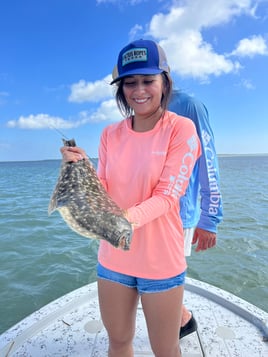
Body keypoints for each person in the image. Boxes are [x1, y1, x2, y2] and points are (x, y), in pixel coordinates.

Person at [61, 39, 201, 357]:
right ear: (121, 87)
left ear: (164, 82)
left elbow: (167, 196)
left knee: (165, 348)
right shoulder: (110, 134)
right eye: (130, 82)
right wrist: (81, 169)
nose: (139, 90)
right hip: (113, 259)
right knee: (119, 342)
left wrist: (123, 219)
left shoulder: (181, 129)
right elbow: (106, 187)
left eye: (148, 80)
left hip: (160, 262)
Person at [168, 90, 223, 339]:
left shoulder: (189, 105)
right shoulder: (138, 110)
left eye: (147, 78)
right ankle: (182, 319)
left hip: (179, 213)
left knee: (168, 276)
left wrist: (209, 219)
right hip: (146, 215)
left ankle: (179, 324)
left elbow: (208, 163)